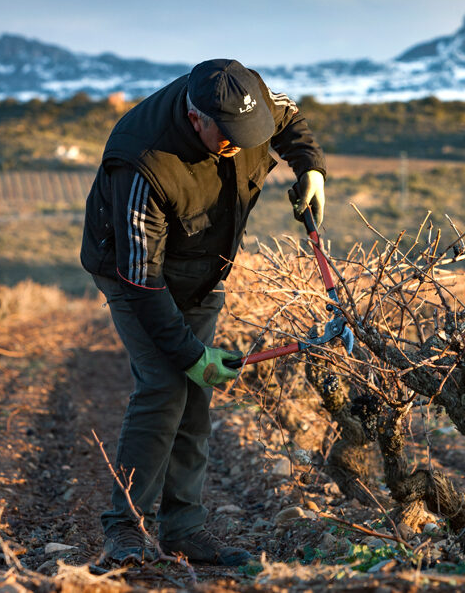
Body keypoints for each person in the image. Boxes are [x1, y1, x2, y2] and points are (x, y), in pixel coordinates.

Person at [80, 59, 326, 566]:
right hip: (133, 273)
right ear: (196, 119)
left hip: (205, 267)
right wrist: (191, 353)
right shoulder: (142, 160)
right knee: (166, 385)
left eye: (249, 133)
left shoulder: (248, 98)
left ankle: (183, 530)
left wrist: (311, 169)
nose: (242, 142)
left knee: (195, 393)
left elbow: (290, 119)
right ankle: (124, 528)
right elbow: (141, 278)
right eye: (230, 137)